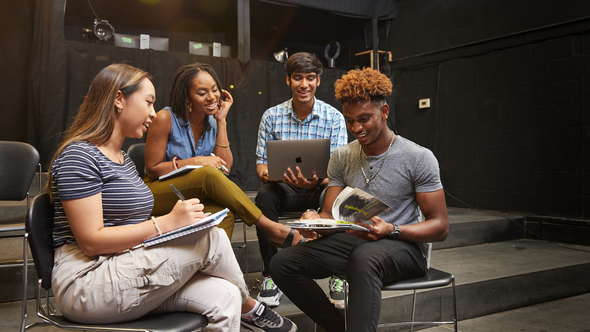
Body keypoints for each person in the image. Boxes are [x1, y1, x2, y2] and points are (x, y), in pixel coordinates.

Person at [48, 63, 297, 332]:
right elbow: (91, 242)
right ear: (119, 99)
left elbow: (224, 166)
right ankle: (251, 307)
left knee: (226, 295)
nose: (153, 113)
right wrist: (167, 224)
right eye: (148, 102)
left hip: (125, 265)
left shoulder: (123, 161)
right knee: (211, 237)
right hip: (86, 280)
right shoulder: (80, 156)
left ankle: (242, 304)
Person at [269, 67, 449, 332]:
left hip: (404, 246)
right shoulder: (342, 156)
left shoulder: (418, 157)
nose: (356, 128)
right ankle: (341, 327)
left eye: (364, 118)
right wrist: (313, 220)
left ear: (384, 112)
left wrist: (392, 229)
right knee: (282, 263)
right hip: (356, 242)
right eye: (350, 120)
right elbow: (330, 214)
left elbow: (440, 227)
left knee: (364, 258)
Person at [143, 62, 302, 249]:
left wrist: (221, 121)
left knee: (225, 212)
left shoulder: (212, 121)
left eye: (215, 90)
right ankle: (271, 227)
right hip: (158, 192)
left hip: (194, 193)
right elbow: (152, 170)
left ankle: (211, 266)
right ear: (187, 96)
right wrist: (196, 161)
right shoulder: (165, 118)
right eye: (202, 93)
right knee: (207, 173)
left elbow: (224, 167)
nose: (211, 97)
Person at [254, 52, 348, 307]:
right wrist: (268, 175)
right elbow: (261, 162)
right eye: (297, 78)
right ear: (288, 80)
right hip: (283, 188)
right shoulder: (271, 116)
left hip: (322, 187)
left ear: (318, 80)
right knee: (264, 195)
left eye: (310, 78)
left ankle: (338, 274)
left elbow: (339, 171)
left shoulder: (334, 117)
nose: (303, 84)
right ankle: (271, 274)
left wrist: (317, 181)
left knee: (339, 195)